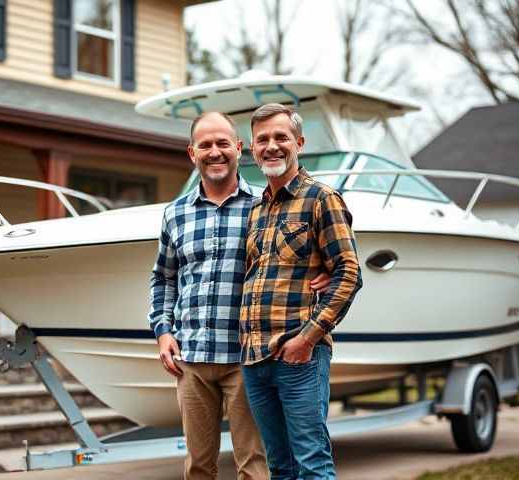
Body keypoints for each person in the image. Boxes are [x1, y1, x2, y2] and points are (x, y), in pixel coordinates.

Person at [149, 111, 332, 479]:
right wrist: (162, 330)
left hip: (247, 359)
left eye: (222, 143)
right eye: (205, 145)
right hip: (193, 358)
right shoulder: (175, 214)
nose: (214, 152)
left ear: (238, 148)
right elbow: (163, 278)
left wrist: (324, 267)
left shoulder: (263, 206)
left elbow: (296, 252)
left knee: (254, 465)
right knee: (198, 466)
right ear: (191, 153)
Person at [239, 103, 363, 480]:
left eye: (281, 137)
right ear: (252, 148)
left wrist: (308, 339)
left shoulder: (321, 198)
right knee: (281, 468)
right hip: (255, 360)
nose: (271, 146)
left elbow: (349, 273)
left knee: (312, 465)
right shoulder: (257, 210)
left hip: (300, 358)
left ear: (299, 142)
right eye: (262, 139)